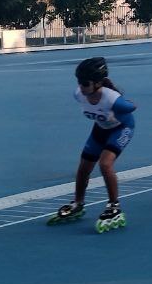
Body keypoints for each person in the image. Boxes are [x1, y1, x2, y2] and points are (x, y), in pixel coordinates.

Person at [51, 57, 135, 232]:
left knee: (105, 164)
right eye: (79, 82)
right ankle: (78, 202)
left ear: (98, 83)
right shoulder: (79, 94)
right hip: (100, 129)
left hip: (121, 128)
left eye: (85, 83)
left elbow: (131, 107)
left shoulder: (112, 99)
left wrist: (123, 103)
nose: (81, 86)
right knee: (83, 168)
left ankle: (114, 205)